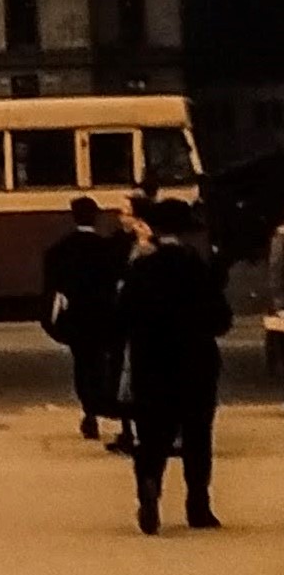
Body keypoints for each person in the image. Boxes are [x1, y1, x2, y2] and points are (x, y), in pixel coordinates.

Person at [118, 199, 232, 535]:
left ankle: (150, 484)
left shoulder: (141, 269)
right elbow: (221, 319)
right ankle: (198, 504)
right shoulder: (198, 268)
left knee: (152, 433)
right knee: (197, 434)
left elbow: (122, 316)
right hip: (195, 360)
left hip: (150, 361)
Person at [42, 197, 130, 444]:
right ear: (97, 216)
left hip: (77, 318)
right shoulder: (106, 249)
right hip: (106, 315)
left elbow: (52, 289)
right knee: (108, 364)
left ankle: (89, 411)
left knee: (83, 364)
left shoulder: (59, 250)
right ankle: (109, 408)